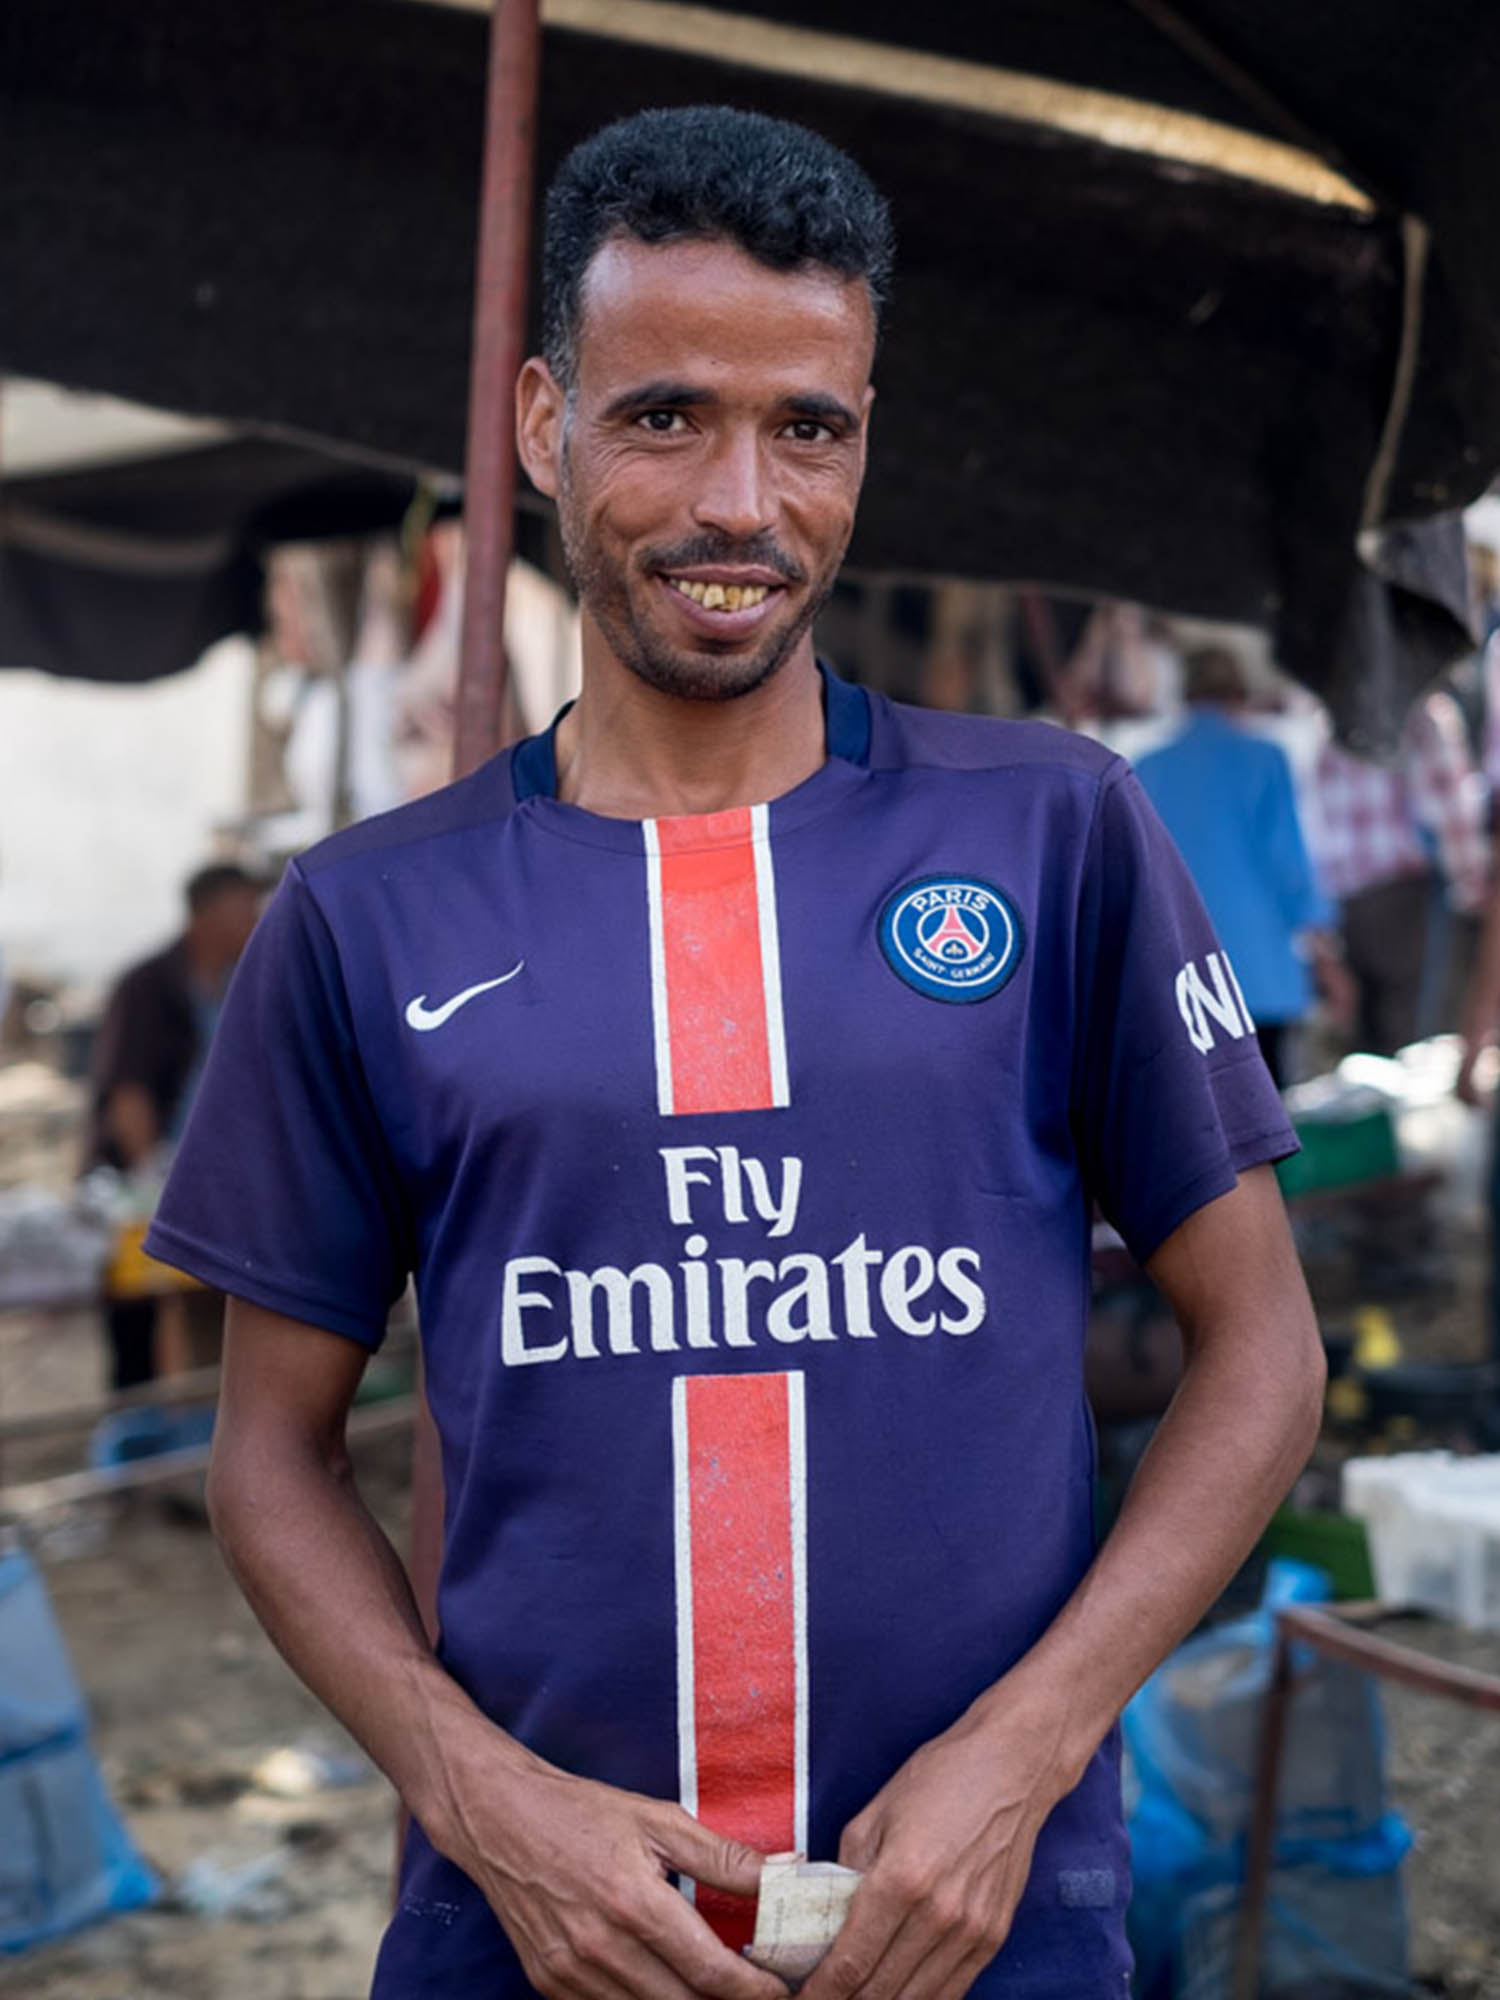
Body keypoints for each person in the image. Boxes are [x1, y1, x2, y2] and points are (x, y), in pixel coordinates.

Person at [145, 108, 1324, 2000]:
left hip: (978, 1924)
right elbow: (268, 1457)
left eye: (809, 430)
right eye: (666, 416)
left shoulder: (1055, 831)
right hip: (530, 1936)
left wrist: (1022, 1761)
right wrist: (484, 1803)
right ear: (544, 422)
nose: (741, 505)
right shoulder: (369, 916)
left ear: (864, 438)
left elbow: (1263, 1354)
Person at [1134, 645, 1345, 1085]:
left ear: (1185, 696)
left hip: (1179, 976)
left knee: (1194, 1107)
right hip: (1258, 973)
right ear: (1239, 694)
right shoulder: (1264, 758)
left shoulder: (1148, 768)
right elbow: (1288, 864)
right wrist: (1327, 958)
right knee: (1265, 1104)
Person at [87, 861, 263, 1387]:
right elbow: (130, 1093)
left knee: (216, 1307)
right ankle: (136, 1414)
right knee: (137, 1310)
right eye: (243, 910)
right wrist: (149, 1178)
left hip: (218, 1177)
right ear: (205, 915)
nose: (255, 921)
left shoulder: (243, 983)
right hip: (147, 1176)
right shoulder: (149, 984)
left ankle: (205, 1410)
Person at [1308, 688, 1489, 1056]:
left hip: (1346, 902)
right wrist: (1474, 891)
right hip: (1404, 898)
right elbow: (1451, 811)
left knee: (1369, 1046)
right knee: (1416, 1043)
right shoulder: (1422, 716)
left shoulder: (1328, 721)